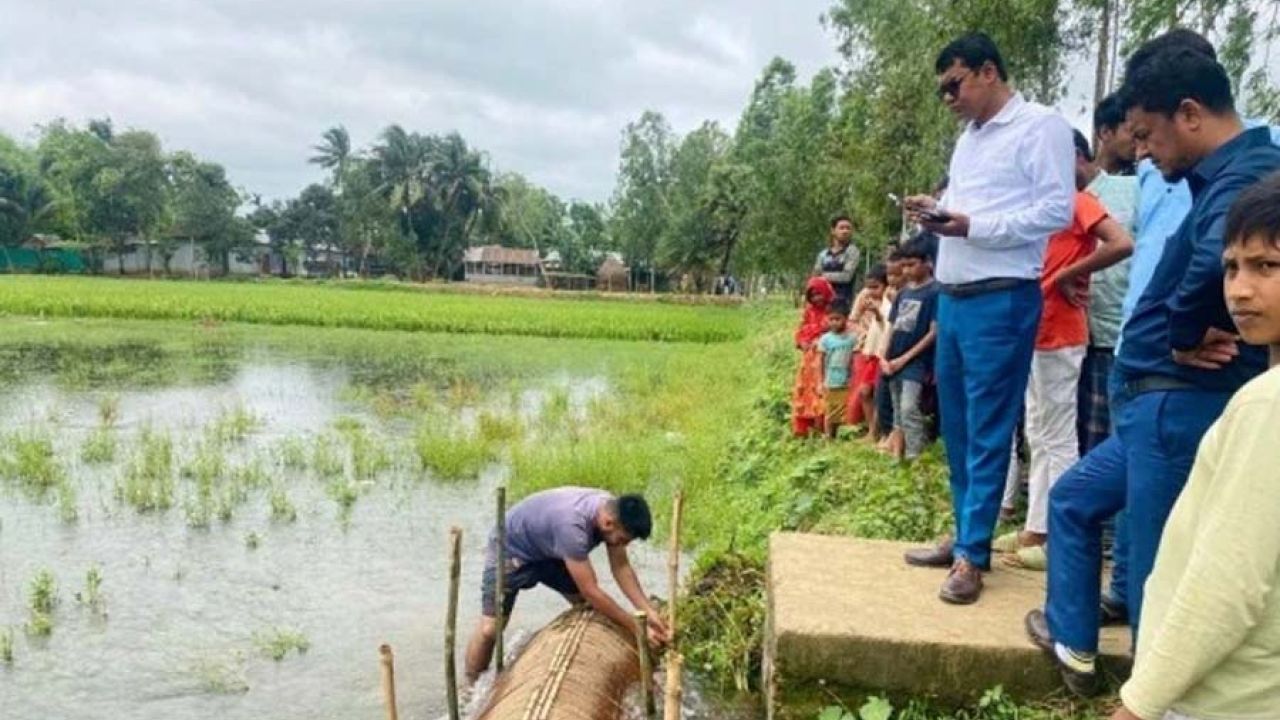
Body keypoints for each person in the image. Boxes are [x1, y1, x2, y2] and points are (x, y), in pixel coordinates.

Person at [1025, 38, 1280, 696]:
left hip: (1180, 398)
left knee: (1160, 575)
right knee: (1077, 502)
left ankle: (1147, 696)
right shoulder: (1217, 175)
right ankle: (1074, 644)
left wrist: (1179, 331)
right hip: (1152, 405)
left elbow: (1205, 271)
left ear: (1189, 114)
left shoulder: (1248, 175)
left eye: (1146, 135)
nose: (1140, 150)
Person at [901, 31, 1075, 605]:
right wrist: (935, 215)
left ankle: (974, 553)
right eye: (941, 91)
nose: (948, 98)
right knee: (958, 425)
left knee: (990, 426)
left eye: (953, 85)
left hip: (1001, 297)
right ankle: (965, 537)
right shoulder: (967, 140)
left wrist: (972, 225)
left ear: (988, 73)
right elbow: (965, 210)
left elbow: (1055, 210)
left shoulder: (1039, 127)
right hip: (954, 296)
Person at [1110, 172, 1280, 720]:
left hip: (1221, 700)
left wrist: (1136, 705)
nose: (1239, 289)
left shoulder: (1266, 406)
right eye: (1231, 266)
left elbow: (1225, 585)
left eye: (1266, 267)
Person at [996, 131, 1134, 566]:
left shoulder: (1076, 202)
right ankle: (1037, 529)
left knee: (1056, 434)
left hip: (1060, 332)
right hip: (1033, 330)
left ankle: (1061, 536)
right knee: (1038, 430)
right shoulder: (1043, 208)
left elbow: (1121, 243)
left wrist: (1063, 275)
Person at [464, 487, 669, 681]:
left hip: (551, 551)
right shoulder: (572, 528)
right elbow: (592, 591)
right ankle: (472, 684)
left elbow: (621, 568)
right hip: (511, 549)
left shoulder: (611, 511)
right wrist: (636, 627)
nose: (624, 545)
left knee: (583, 605)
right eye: (623, 539)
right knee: (491, 629)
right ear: (608, 524)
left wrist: (648, 611)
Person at [1078, 92, 1140, 456]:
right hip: (1084, 332)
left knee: (1116, 436)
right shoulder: (1084, 194)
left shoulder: (1144, 185)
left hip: (1123, 330)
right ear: (1105, 132)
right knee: (1088, 431)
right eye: (1131, 133)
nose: (1138, 143)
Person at [880, 237, 939, 461]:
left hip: (916, 361)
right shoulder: (903, 293)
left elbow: (933, 332)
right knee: (897, 411)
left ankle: (916, 456)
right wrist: (884, 356)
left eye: (912, 264)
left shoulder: (935, 292)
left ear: (928, 263)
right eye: (904, 265)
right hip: (893, 358)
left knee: (909, 408)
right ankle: (898, 457)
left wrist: (904, 359)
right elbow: (891, 326)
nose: (906, 270)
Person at [792, 276, 837, 437]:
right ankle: (805, 428)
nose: (817, 298)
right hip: (809, 361)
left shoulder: (833, 311)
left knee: (822, 392)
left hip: (826, 359)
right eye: (813, 295)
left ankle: (824, 428)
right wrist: (802, 342)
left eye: (820, 293)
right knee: (806, 393)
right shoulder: (809, 312)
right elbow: (800, 331)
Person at [849, 264, 890, 433]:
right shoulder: (865, 296)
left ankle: (879, 431)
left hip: (883, 350)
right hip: (865, 348)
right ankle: (870, 429)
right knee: (864, 391)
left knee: (879, 392)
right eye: (869, 287)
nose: (872, 291)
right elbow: (852, 320)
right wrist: (863, 333)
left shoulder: (891, 298)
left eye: (876, 287)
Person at [874, 251, 906, 447]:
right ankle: (887, 433)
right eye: (889, 275)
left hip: (903, 350)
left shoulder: (905, 295)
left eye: (897, 274)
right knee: (883, 394)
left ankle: (896, 436)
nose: (892, 279)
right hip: (886, 348)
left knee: (900, 399)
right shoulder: (890, 294)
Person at [818, 300, 858, 439]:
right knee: (830, 411)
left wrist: (853, 377)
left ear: (846, 319)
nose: (834, 322)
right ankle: (829, 436)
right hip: (830, 380)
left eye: (838, 319)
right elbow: (821, 361)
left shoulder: (852, 338)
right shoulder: (825, 339)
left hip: (846, 380)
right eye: (831, 319)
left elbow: (854, 360)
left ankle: (839, 436)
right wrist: (820, 381)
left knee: (843, 410)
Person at [814, 214, 861, 305]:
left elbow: (846, 277)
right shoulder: (823, 254)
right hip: (822, 302)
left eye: (848, 228)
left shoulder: (852, 251)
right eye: (841, 228)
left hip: (843, 303)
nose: (845, 231)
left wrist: (823, 276)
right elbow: (815, 276)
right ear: (833, 231)